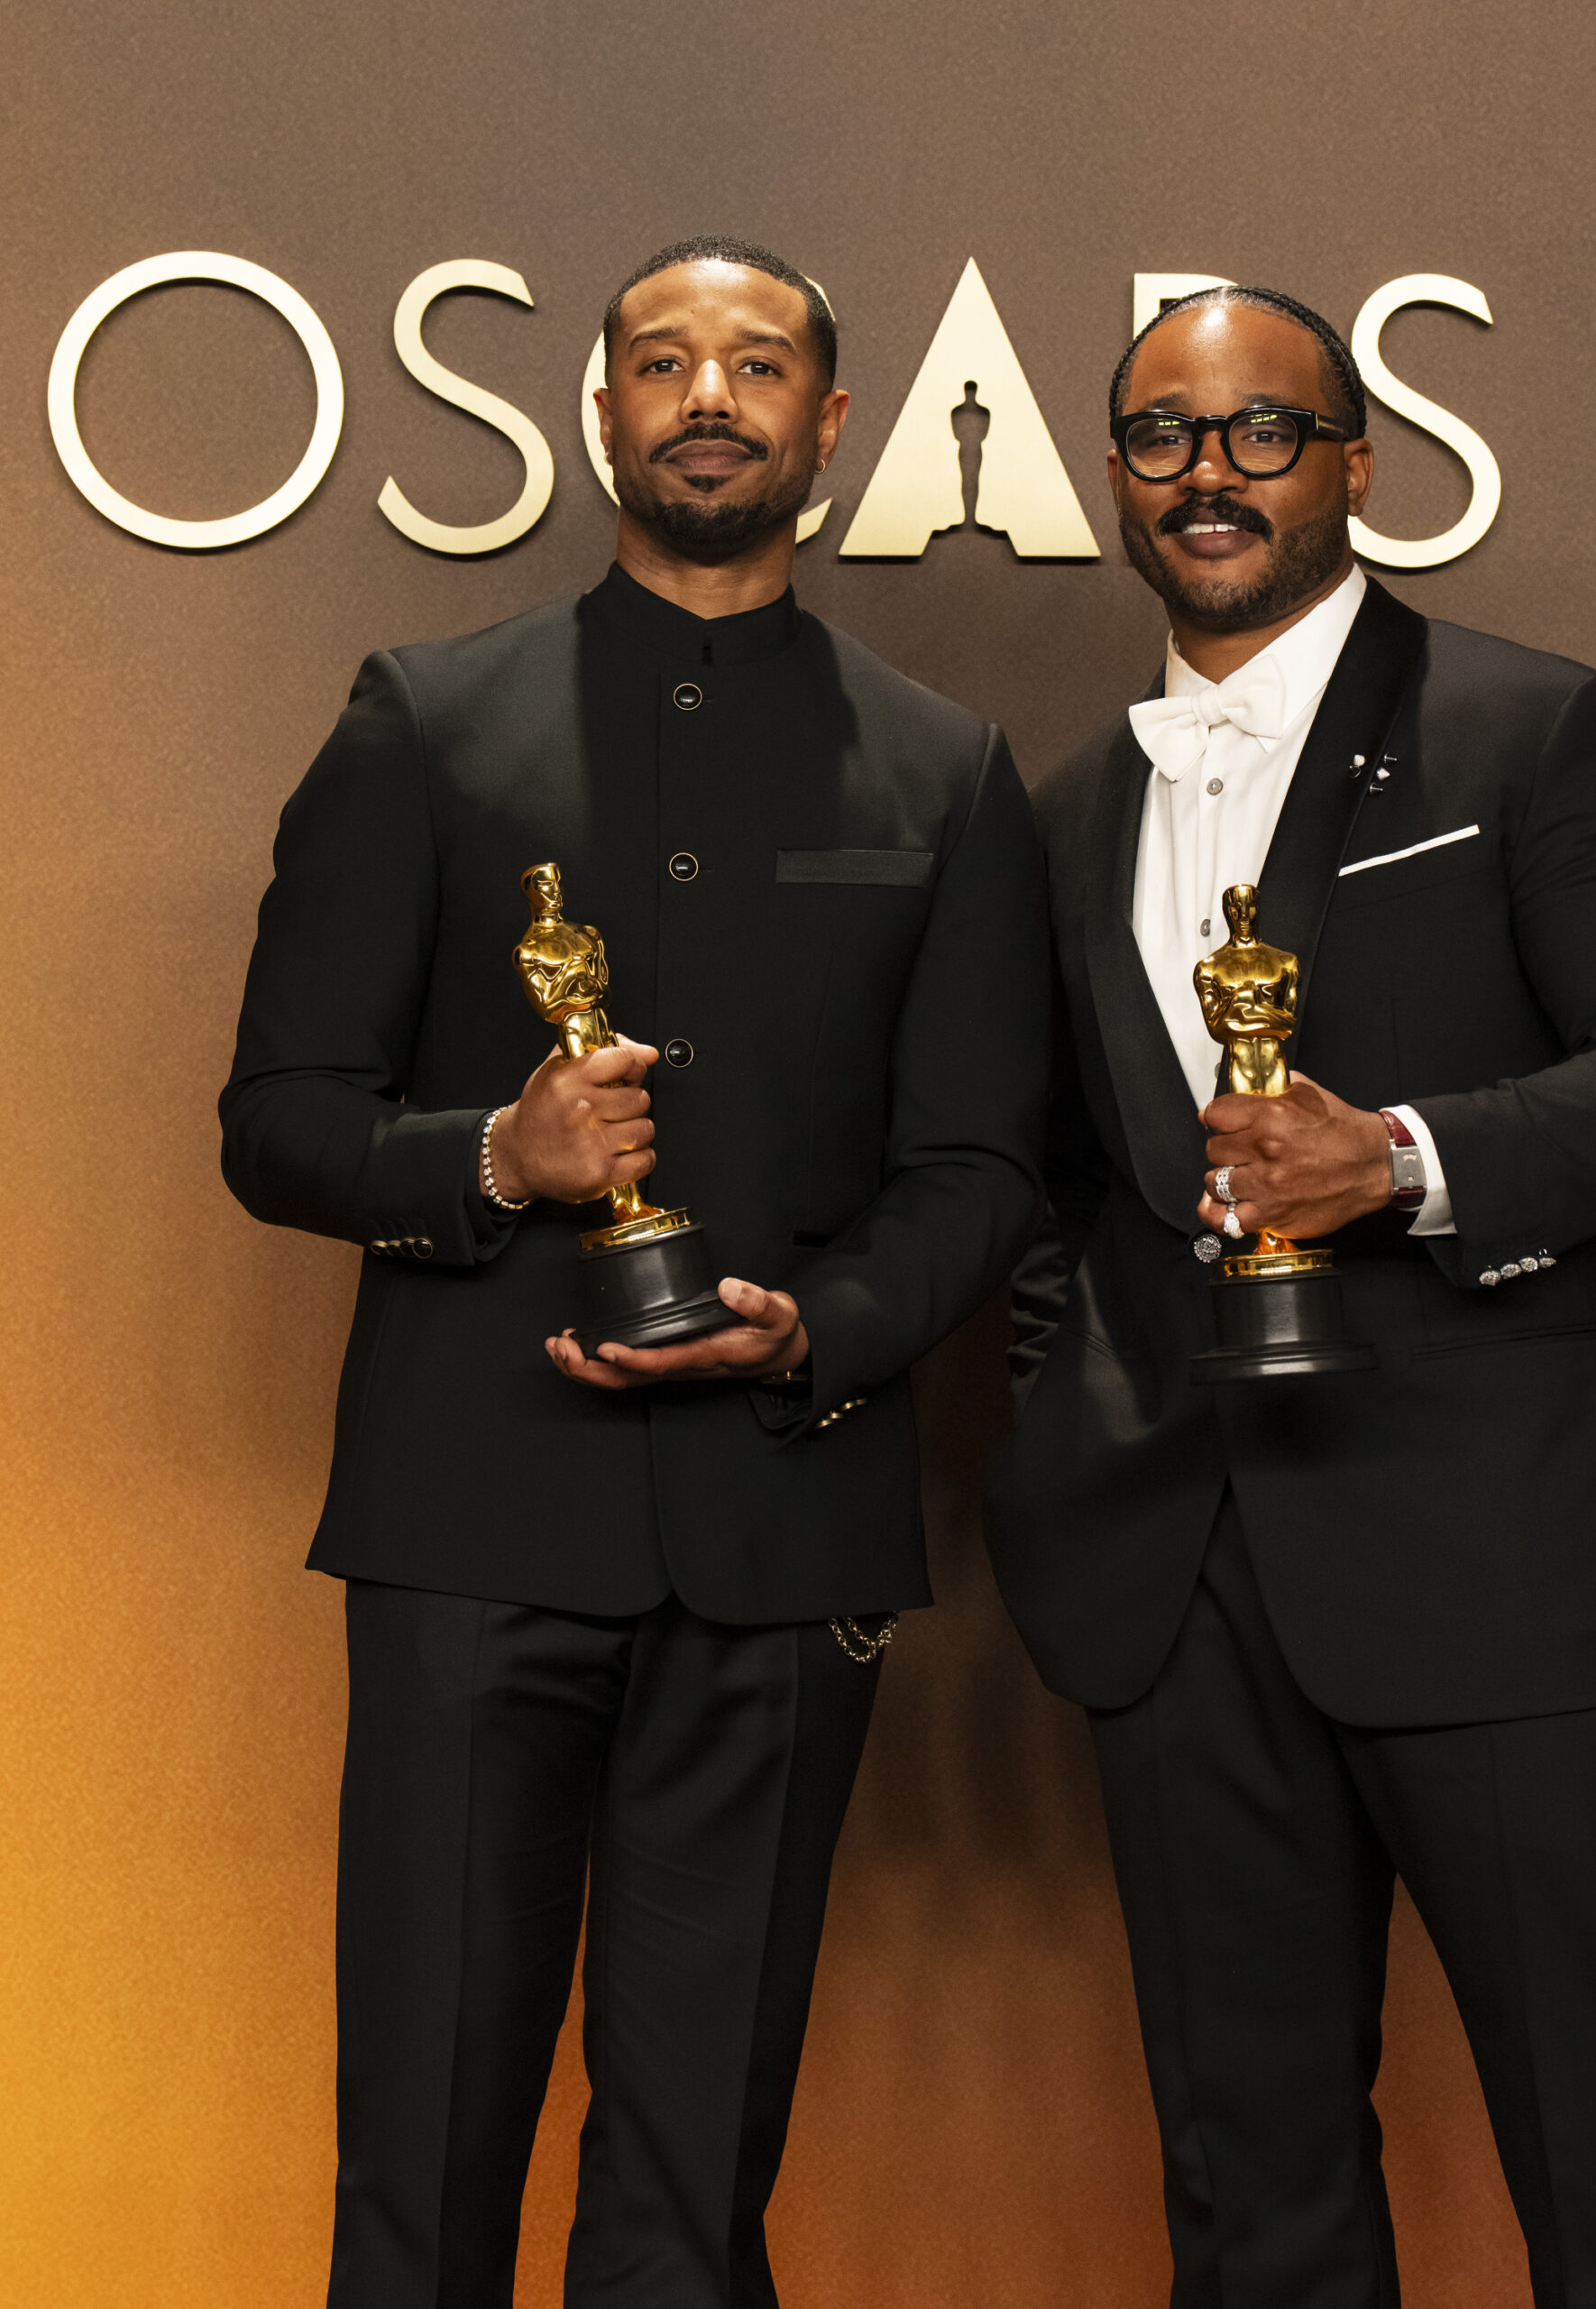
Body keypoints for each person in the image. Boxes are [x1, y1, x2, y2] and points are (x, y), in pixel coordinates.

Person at [220, 234, 1047, 2309]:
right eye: (663, 362)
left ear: (829, 425)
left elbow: (979, 1166)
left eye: (754, 367)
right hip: (468, 1533)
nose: (707, 397)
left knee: (694, 2183)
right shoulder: (423, 718)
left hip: (782, 1532)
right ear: (599, 413)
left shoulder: (942, 765)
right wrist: (493, 1155)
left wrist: (823, 1324)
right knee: (421, 2152)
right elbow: (276, 1117)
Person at [987, 283, 1596, 2309]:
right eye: (1162, 435)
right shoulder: (1063, 811)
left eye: (1262, 428)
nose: (1210, 471)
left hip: (1506, 1567)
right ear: (1116, 479)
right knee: (1256, 2209)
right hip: (1179, 1586)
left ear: (1356, 462)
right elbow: (1060, 1186)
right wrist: (1073, 1401)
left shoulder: (1537, 725)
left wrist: (1403, 1157)